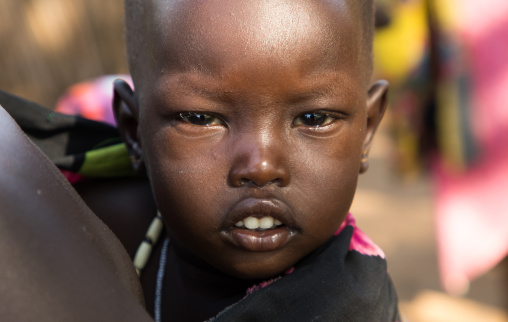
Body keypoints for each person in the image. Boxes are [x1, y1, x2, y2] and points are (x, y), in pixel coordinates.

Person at [0, 0, 400, 321]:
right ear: (132, 127)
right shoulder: (86, 218)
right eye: (200, 118)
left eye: (313, 119)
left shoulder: (351, 306)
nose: (261, 166)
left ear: (367, 128)